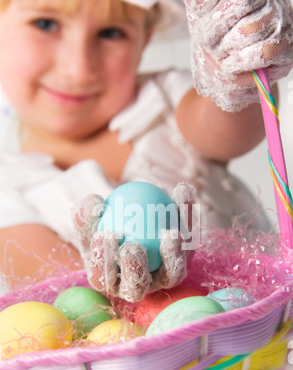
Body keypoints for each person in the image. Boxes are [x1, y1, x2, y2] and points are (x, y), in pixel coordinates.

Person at [0, 0, 292, 301]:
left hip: (264, 336)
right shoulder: (6, 191)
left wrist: (233, 75)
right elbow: (71, 304)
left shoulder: (166, 99)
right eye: (45, 24)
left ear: (146, 38)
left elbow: (229, 127)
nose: (78, 69)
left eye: (111, 33)